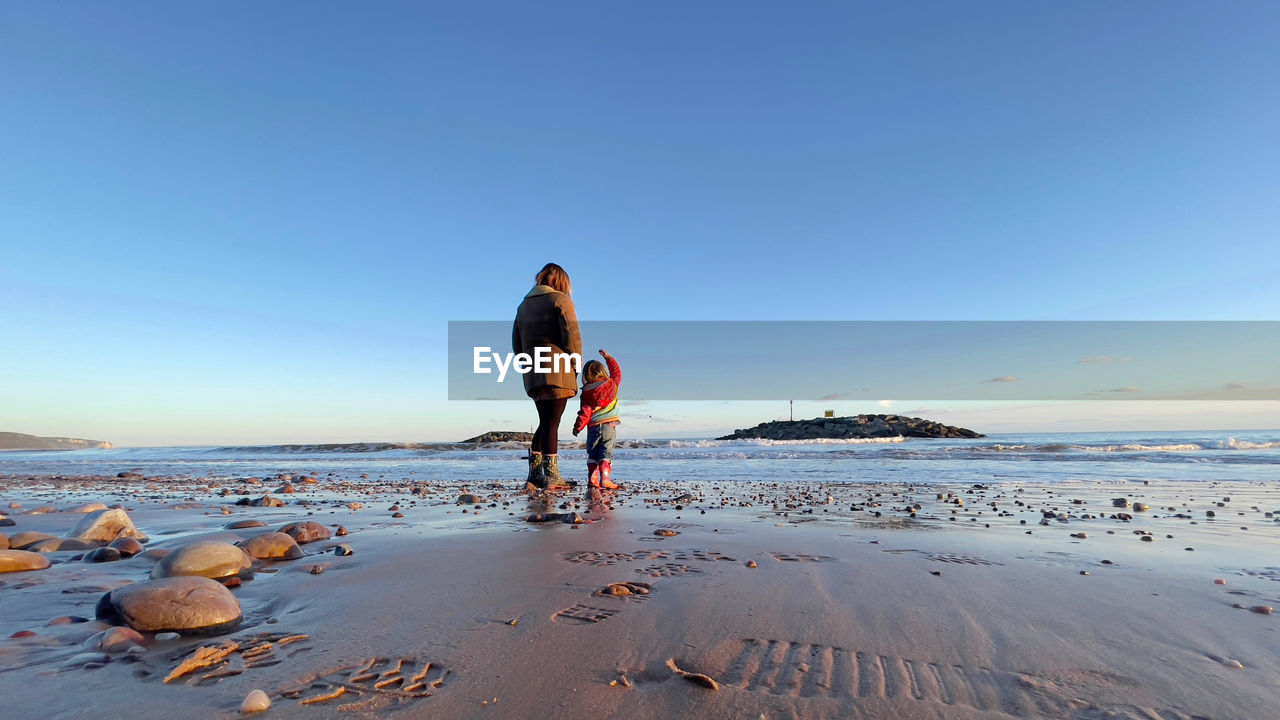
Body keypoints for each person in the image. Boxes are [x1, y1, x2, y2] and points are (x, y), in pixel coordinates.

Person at [513, 263, 582, 492]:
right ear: (562, 281)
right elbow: (571, 335)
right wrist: (575, 362)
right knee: (552, 422)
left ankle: (535, 476)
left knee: (544, 421)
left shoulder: (523, 306)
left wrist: (526, 362)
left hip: (533, 371)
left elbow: (517, 340)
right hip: (557, 368)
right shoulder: (561, 300)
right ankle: (552, 477)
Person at [572, 349, 621, 490]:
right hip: (609, 426)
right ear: (603, 371)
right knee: (606, 453)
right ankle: (605, 479)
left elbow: (585, 412)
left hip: (593, 427)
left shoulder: (586, 391)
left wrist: (577, 427)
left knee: (593, 453)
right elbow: (617, 372)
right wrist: (608, 357)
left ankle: (592, 480)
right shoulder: (612, 384)